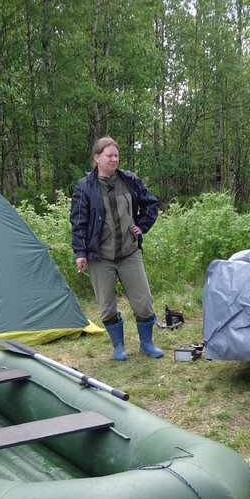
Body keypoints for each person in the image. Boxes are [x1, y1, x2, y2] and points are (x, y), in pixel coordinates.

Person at [70, 136, 163, 360]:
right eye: (109, 155)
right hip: (99, 257)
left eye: (116, 155)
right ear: (96, 157)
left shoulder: (129, 180)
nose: (114, 159)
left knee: (143, 303)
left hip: (130, 253)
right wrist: (81, 253)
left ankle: (147, 343)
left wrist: (142, 225)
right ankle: (118, 346)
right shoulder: (85, 187)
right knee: (107, 307)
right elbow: (78, 221)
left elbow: (151, 203)